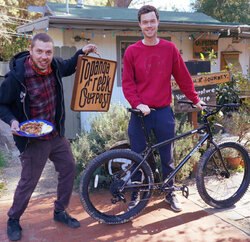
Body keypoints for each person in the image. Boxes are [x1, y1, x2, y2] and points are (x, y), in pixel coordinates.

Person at [0, 33, 100, 241]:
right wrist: (12, 121)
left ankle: (60, 211)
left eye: (48, 52)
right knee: (29, 181)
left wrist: (83, 51)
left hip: (55, 133)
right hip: (32, 138)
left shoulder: (54, 65)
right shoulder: (17, 76)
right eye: (40, 51)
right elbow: (2, 103)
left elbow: (71, 65)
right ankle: (13, 219)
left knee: (68, 168)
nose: (44, 56)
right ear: (31, 51)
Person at [122, 5, 204, 212]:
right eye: (145, 22)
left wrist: (194, 98)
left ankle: (170, 192)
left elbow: (183, 77)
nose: (149, 25)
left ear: (158, 22)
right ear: (140, 25)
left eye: (152, 21)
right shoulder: (132, 51)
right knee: (137, 156)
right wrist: (138, 104)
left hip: (163, 112)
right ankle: (136, 194)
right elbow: (127, 83)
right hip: (140, 113)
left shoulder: (169, 49)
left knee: (167, 157)